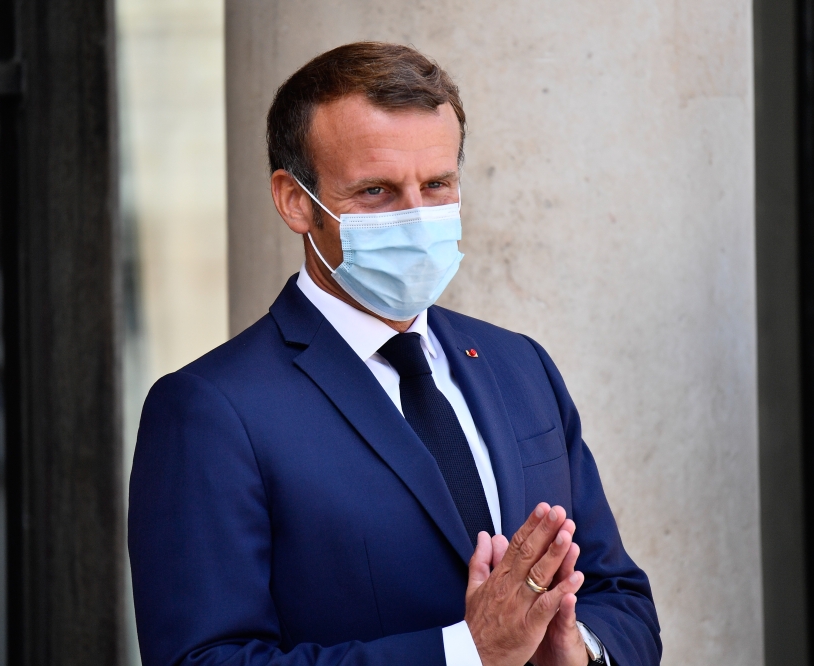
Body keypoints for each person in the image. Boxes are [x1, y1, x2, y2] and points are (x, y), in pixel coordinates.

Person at [129, 42, 661, 666]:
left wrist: (579, 650)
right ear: (296, 201)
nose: (417, 216)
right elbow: (203, 659)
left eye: (437, 183)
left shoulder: (520, 366)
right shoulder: (211, 410)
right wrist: (466, 653)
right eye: (377, 191)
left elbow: (618, 594)